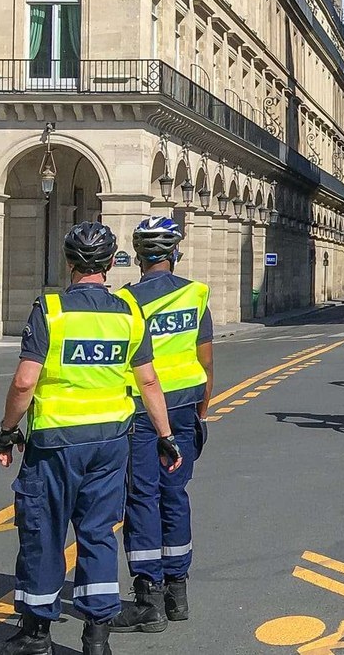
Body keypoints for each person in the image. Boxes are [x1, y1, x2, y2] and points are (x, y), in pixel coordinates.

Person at [0, 222, 183, 655]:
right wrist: (166, 436)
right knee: (97, 534)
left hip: (55, 444)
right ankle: (97, 638)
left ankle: (36, 636)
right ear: (112, 264)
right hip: (111, 443)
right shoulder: (129, 313)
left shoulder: (51, 309)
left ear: (69, 262)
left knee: (44, 533)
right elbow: (148, 382)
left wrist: (5, 431)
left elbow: (24, 382)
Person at [110, 217, 214, 634]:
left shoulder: (125, 302)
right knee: (175, 493)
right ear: (175, 254)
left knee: (142, 497)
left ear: (138, 257)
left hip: (140, 410)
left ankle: (148, 596)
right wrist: (202, 412)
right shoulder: (194, 295)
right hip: (186, 407)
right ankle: (178, 591)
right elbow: (206, 361)